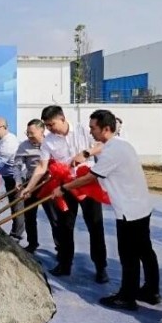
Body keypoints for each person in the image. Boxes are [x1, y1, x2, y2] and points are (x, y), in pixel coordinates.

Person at [52, 109, 159, 311]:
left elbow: (90, 177)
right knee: (145, 250)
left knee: (128, 255)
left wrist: (63, 188)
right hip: (141, 206)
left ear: (106, 129)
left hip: (129, 211)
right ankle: (151, 291)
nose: (90, 132)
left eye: (93, 128)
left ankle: (127, 297)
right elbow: (97, 151)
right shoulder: (122, 144)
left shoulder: (112, 152)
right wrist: (85, 154)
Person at [25, 105, 109, 283]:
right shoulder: (48, 141)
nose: (49, 129)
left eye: (52, 124)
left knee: (95, 226)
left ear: (62, 119)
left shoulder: (83, 130)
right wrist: (30, 188)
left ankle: (100, 267)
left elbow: (103, 144)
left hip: (87, 182)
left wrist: (86, 153)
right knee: (64, 226)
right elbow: (42, 166)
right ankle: (65, 264)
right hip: (65, 186)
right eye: (47, 126)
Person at [16, 119, 47, 253]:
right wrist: (18, 180)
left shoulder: (50, 143)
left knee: (55, 217)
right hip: (31, 182)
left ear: (42, 131)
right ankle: (32, 243)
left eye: (32, 133)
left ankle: (61, 249)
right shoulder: (24, 146)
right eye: (27, 133)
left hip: (48, 183)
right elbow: (17, 165)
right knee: (29, 215)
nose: (29, 136)